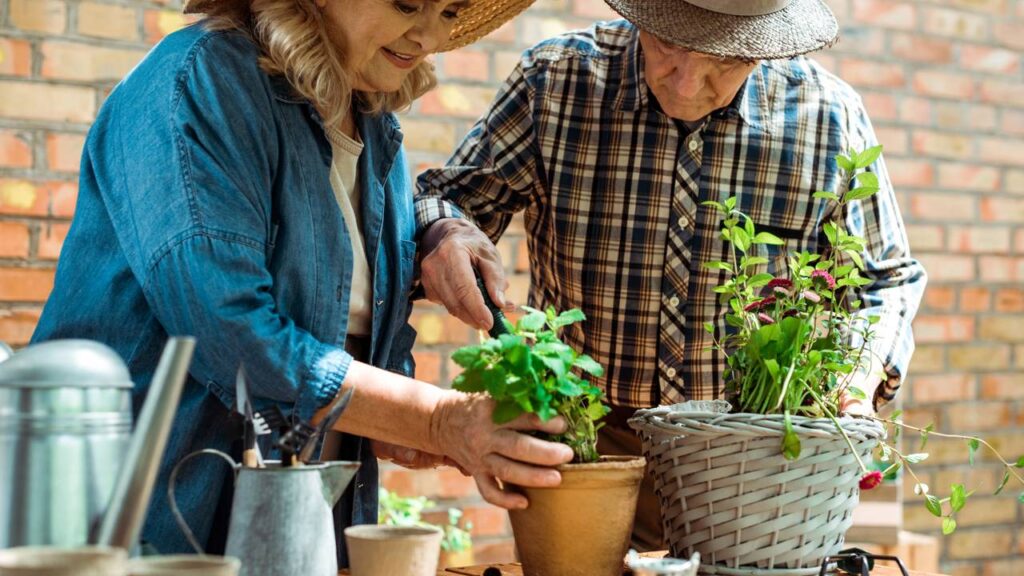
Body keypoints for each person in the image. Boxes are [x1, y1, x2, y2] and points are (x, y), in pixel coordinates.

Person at [30, 0, 573, 565]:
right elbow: (234, 334)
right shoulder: (199, 83)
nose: (429, 35)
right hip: (147, 526)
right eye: (408, 4)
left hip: (298, 536)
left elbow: (350, 324)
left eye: (449, 11)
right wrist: (438, 422)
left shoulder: (375, 125)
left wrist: (406, 425)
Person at [414, 0, 927, 550]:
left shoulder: (827, 116)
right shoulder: (556, 81)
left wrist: (857, 374)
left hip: (752, 455)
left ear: (763, 46)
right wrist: (442, 232)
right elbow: (446, 202)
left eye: (722, 63)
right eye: (668, 46)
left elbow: (885, 281)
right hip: (586, 438)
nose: (684, 86)